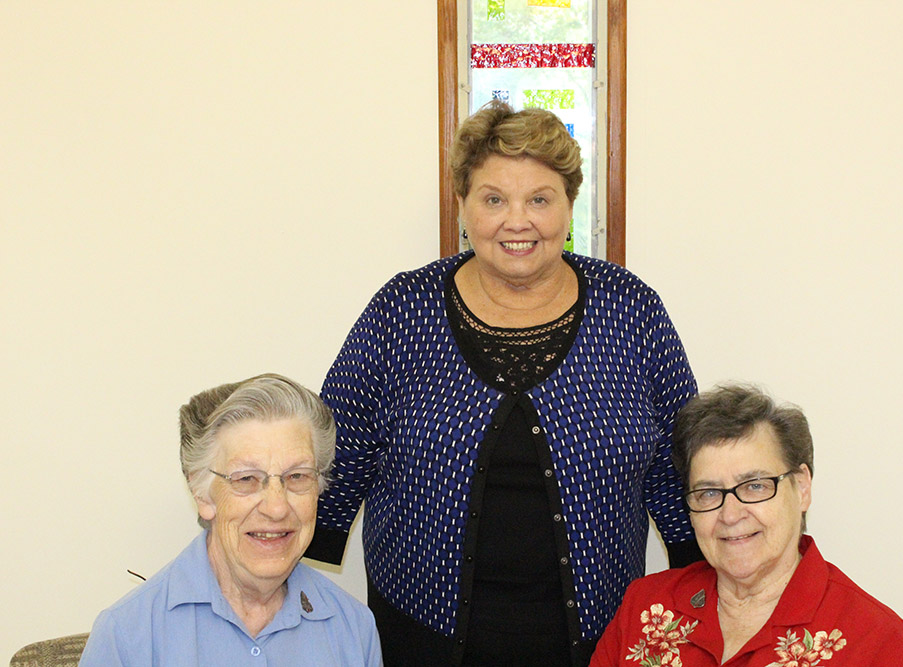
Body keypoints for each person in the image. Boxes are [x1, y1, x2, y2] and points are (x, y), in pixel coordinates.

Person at [305, 101, 699, 666]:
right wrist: (283, 555)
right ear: (462, 206)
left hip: (597, 635)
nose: (518, 221)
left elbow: (681, 458)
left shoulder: (630, 308)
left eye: (540, 198)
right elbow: (335, 448)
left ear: (568, 204)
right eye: (494, 200)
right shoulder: (403, 310)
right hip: (423, 630)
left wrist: (708, 568)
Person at [591, 384, 903, 666]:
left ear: (802, 487)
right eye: (709, 493)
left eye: (754, 486)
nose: (731, 514)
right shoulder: (645, 608)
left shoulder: (875, 640)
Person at [80, 374, 382, 666]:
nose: (276, 508)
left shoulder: (354, 629)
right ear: (201, 494)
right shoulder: (128, 637)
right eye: (247, 478)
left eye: (297, 476)